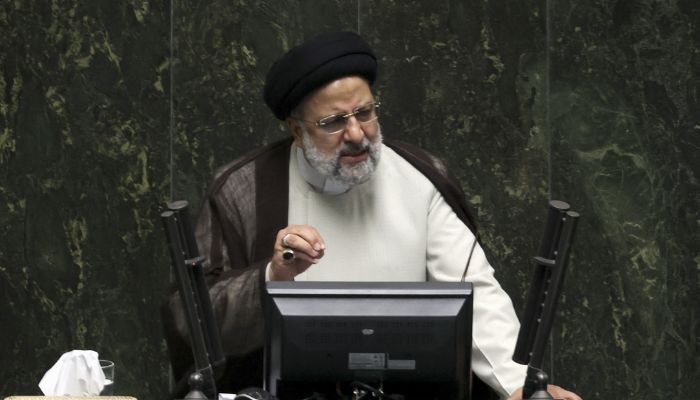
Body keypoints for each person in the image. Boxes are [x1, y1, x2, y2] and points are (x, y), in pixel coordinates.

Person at [162, 31, 581, 400]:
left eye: (364, 113)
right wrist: (274, 276)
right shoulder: (244, 188)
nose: (356, 134)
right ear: (297, 130)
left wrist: (518, 384)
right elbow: (191, 319)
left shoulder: (420, 177)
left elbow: (476, 293)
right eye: (333, 122)